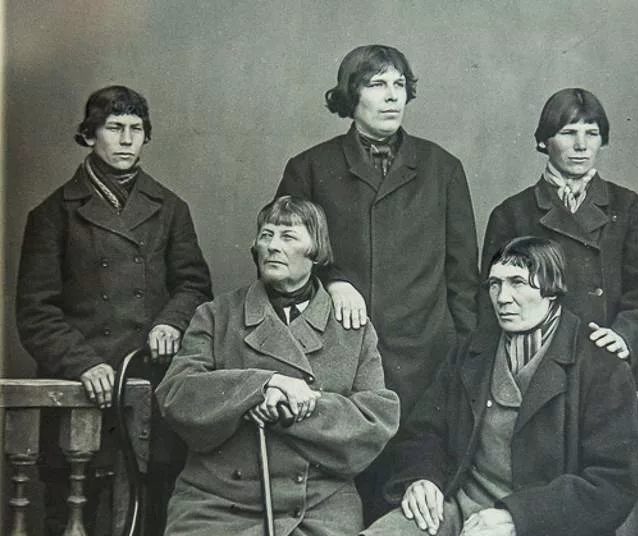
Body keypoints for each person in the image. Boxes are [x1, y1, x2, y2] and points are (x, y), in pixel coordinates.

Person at [276, 45, 479, 521]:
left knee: (411, 490)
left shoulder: (443, 168)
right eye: (376, 84)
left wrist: (468, 355)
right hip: (338, 358)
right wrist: (332, 279)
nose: (392, 97)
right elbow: (279, 256)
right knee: (338, 494)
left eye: (399, 85)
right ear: (352, 95)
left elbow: (463, 277)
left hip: (425, 357)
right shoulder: (309, 168)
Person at [16, 85, 213, 535]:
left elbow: (195, 286)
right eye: (114, 127)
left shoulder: (171, 208)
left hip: (151, 384)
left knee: (151, 511)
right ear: (90, 135)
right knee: (70, 514)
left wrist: (171, 322)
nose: (126, 140)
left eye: (136, 129)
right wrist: (83, 364)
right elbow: (35, 312)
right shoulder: (52, 214)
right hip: (80, 390)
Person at [363, 236, 638, 536]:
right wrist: (421, 478)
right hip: (455, 508)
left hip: (542, 526)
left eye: (517, 283)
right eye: (495, 284)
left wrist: (518, 518)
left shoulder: (600, 365)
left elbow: (614, 481)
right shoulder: (471, 351)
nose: (502, 297)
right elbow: (425, 431)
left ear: (552, 289)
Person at [156, 195, 400, 536]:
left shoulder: (351, 328)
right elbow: (175, 395)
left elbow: (375, 421)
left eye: (288, 236)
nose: (272, 246)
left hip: (318, 506)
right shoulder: (216, 315)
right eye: (266, 235)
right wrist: (259, 387)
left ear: (316, 251)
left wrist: (293, 408)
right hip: (218, 503)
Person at [481, 87, 638, 391]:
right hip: (535, 367)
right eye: (568, 132)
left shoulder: (629, 207)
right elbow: (491, 298)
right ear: (544, 141)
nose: (581, 145)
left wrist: (626, 336)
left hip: (608, 367)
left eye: (592, 133)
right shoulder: (512, 213)